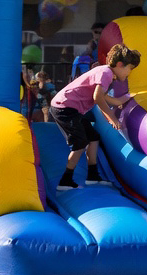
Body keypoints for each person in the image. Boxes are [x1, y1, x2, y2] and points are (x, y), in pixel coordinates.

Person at [49, 43, 140, 189]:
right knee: (80, 143)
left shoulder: (106, 73)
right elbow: (98, 97)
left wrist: (124, 99)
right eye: (130, 69)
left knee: (93, 137)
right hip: (64, 108)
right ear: (120, 64)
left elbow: (105, 98)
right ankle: (65, 181)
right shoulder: (106, 73)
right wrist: (112, 118)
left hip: (72, 109)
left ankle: (92, 176)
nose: (130, 73)